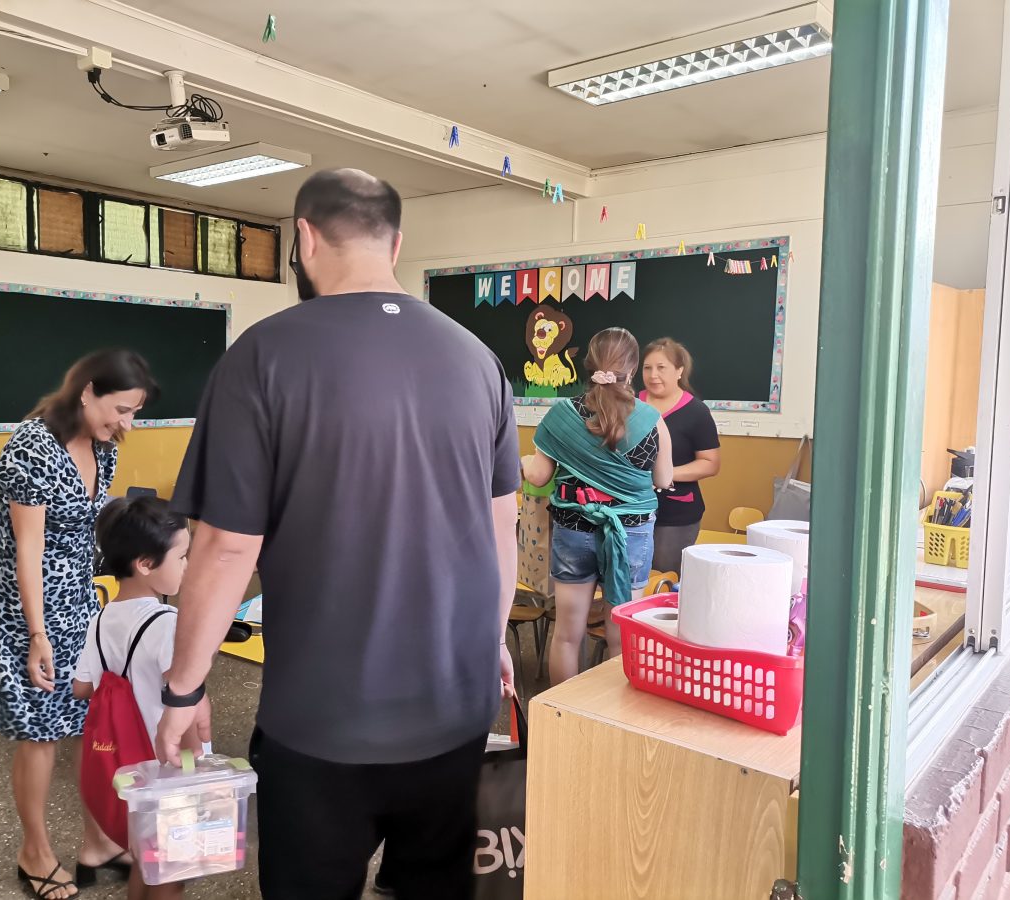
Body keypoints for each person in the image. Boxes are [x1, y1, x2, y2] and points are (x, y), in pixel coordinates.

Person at [154, 168, 520, 900]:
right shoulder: (479, 361)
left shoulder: (260, 358)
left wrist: (184, 687)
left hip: (321, 727)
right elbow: (499, 530)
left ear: (305, 237)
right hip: (453, 714)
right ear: (397, 243)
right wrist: (489, 638)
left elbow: (227, 548)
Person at [0, 349, 157, 900]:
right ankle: (35, 853)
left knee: (91, 719)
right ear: (87, 391)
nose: (125, 424)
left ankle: (97, 842)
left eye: (133, 414)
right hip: (23, 610)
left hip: (75, 602)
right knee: (40, 733)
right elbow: (28, 548)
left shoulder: (105, 448)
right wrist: (37, 635)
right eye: (120, 409)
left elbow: (92, 531)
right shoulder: (30, 447)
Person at [521, 328, 674, 686]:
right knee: (623, 637)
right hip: (631, 532)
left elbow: (539, 476)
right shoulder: (652, 421)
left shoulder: (560, 415)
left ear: (587, 366)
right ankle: (611, 721)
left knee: (567, 634)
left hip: (574, 530)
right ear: (632, 370)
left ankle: (565, 715)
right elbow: (664, 477)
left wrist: (527, 460)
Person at [73, 496, 192, 900]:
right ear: (145, 563)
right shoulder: (165, 624)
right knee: (169, 871)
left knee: (146, 856)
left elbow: (82, 688)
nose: (186, 567)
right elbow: (185, 699)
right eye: (181, 557)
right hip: (169, 768)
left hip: (127, 770)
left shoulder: (101, 617)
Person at [639, 338, 721, 574]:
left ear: (679, 371)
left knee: (663, 578)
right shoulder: (629, 404)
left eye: (661, 368)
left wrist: (665, 475)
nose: (653, 375)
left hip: (675, 515)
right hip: (631, 509)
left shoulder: (696, 411)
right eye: (647, 368)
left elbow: (710, 463)